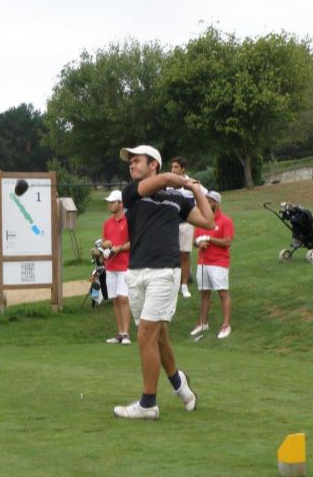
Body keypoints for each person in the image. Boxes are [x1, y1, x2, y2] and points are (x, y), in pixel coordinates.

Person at [113, 145, 214, 420]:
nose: (131, 166)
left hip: (164, 273)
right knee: (157, 337)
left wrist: (196, 191)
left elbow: (208, 220)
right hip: (136, 274)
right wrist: (183, 181)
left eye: (137, 161)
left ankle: (148, 404)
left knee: (146, 335)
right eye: (130, 162)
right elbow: (169, 180)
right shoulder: (131, 193)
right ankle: (181, 386)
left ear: (152, 164)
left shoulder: (176, 201)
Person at [190, 191, 235, 339]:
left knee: (223, 293)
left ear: (215, 203)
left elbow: (227, 241)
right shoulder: (202, 220)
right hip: (203, 262)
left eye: (208, 201)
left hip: (219, 262)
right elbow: (194, 241)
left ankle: (226, 325)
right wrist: (200, 242)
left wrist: (209, 238)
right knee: (204, 294)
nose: (205, 204)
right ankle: (203, 323)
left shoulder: (225, 220)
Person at [101, 190, 132, 345]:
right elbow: (104, 241)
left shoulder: (129, 221)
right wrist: (105, 244)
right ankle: (120, 333)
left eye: (112, 202)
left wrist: (119, 248)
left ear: (121, 204)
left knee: (123, 298)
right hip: (110, 265)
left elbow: (133, 243)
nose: (110, 205)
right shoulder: (107, 223)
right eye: (109, 202)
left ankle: (126, 333)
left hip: (125, 265)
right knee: (114, 299)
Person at [169, 157, 196, 298]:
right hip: (171, 225)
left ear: (183, 169)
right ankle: (173, 283)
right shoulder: (167, 186)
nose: (173, 170)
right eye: (172, 167)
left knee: (184, 254)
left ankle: (184, 285)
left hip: (186, 224)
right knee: (171, 254)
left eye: (176, 167)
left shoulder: (191, 184)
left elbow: (202, 199)